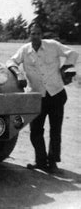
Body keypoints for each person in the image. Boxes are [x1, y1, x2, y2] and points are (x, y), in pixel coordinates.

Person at [7, 23, 78, 173]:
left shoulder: (52, 46)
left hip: (56, 94)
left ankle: (52, 163)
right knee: (35, 130)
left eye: (38, 33)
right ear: (29, 34)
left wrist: (64, 68)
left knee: (55, 130)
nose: (36, 36)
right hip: (37, 96)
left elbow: (72, 53)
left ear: (42, 34)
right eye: (33, 34)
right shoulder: (25, 50)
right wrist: (18, 73)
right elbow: (11, 61)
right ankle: (40, 161)